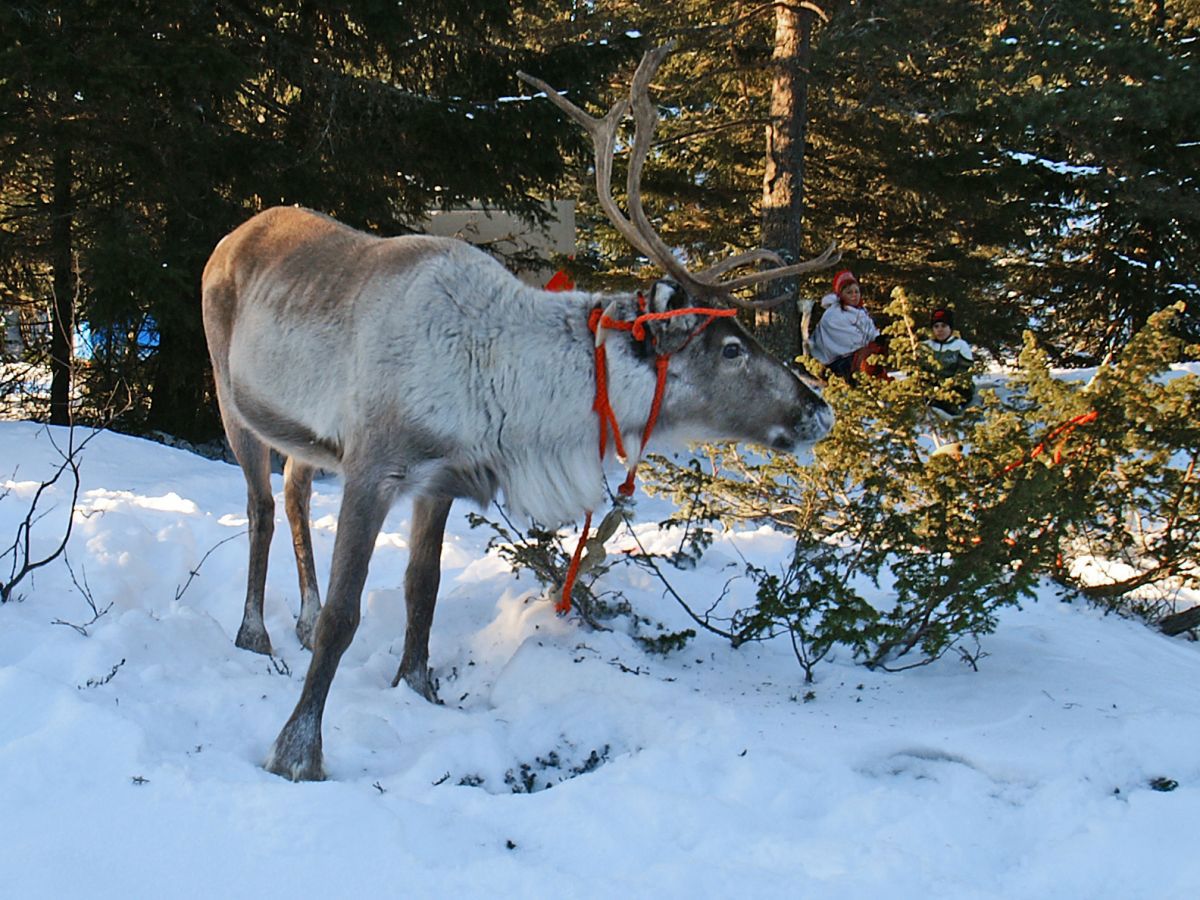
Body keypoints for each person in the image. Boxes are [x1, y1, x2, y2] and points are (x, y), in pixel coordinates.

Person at [808, 270, 888, 380]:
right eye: (849, 292)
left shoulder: (860, 312)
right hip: (836, 365)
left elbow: (871, 333)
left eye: (856, 292)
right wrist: (873, 346)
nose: (854, 296)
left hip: (851, 359)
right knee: (868, 357)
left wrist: (879, 341)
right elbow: (850, 343)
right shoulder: (833, 315)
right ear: (841, 294)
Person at [923, 307, 975, 417]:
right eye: (936, 326)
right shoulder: (926, 346)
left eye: (943, 326)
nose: (940, 330)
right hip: (933, 389)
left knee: (950, 405)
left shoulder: (960, 345)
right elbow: (922, 370)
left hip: (955, 389)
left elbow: (965, 372)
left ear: (950, 328)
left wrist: (948, 387)